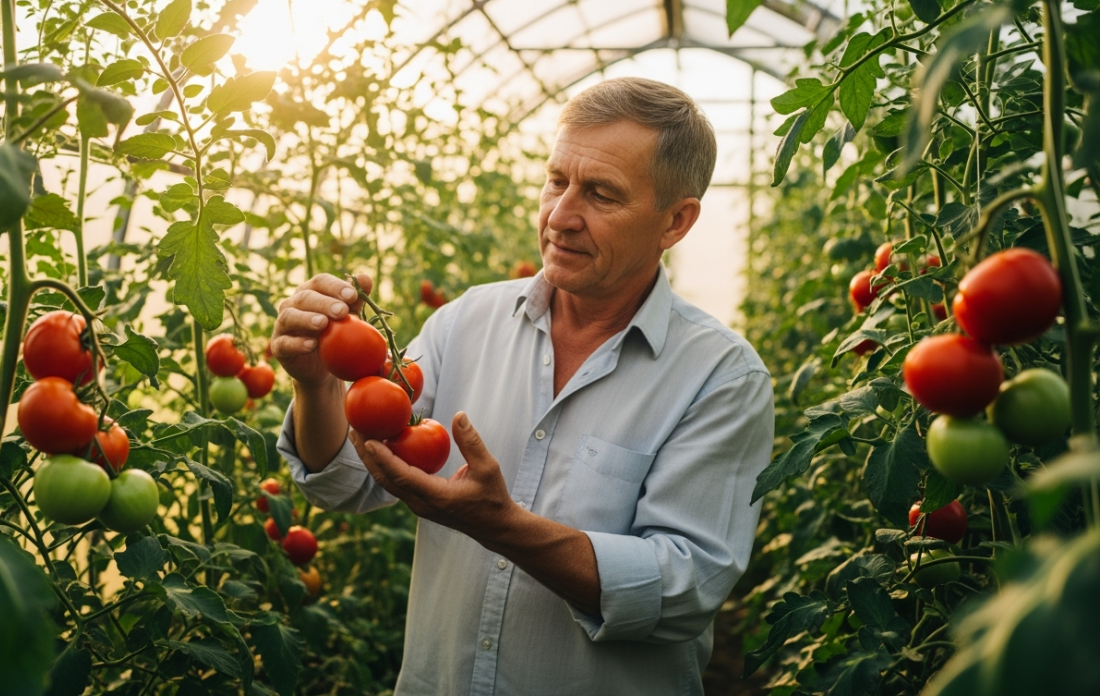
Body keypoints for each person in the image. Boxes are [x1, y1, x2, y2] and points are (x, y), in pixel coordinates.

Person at [271, 77, 774, 696]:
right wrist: (317, 387)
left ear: (675, 221)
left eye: (601, 194)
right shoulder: (465, 322)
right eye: (557, 180)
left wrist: (502, 525)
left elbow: (681, 591)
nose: (560, 216)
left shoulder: (721, 378)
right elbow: (346, 482)